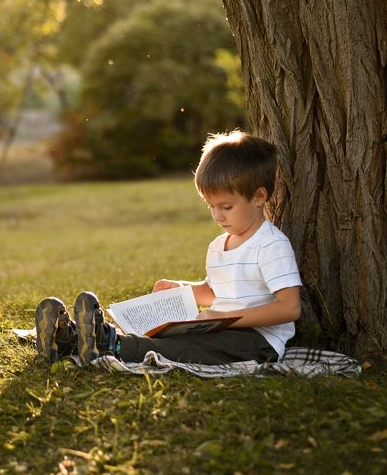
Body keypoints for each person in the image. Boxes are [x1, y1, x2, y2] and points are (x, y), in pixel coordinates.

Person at [34, 130, 302, 365]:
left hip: (257, 342)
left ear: (258, 197)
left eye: (226, 207)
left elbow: (289, 308)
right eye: (211, 206)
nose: (217, 216)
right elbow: (214, 291)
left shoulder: (271, 245)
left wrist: (226, 317)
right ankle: (69, 340)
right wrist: (181, 288)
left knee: (185, 348)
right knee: (173, 337)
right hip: (220, 330)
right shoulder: (220, 244)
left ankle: (112, 345)